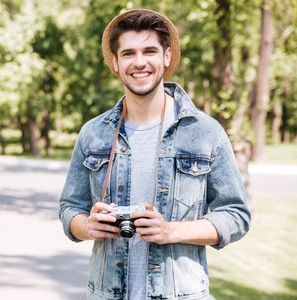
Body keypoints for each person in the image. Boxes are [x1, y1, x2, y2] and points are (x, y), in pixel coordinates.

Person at [58, 8, 251, 300]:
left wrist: (170, 231)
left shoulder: (206, 133)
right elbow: (69, 208)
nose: (139, 62)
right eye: (128, 53)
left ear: (167, 56)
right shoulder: (93, 133)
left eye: (149, 51)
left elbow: (236, 215)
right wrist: (88, 225)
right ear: (115, 61)